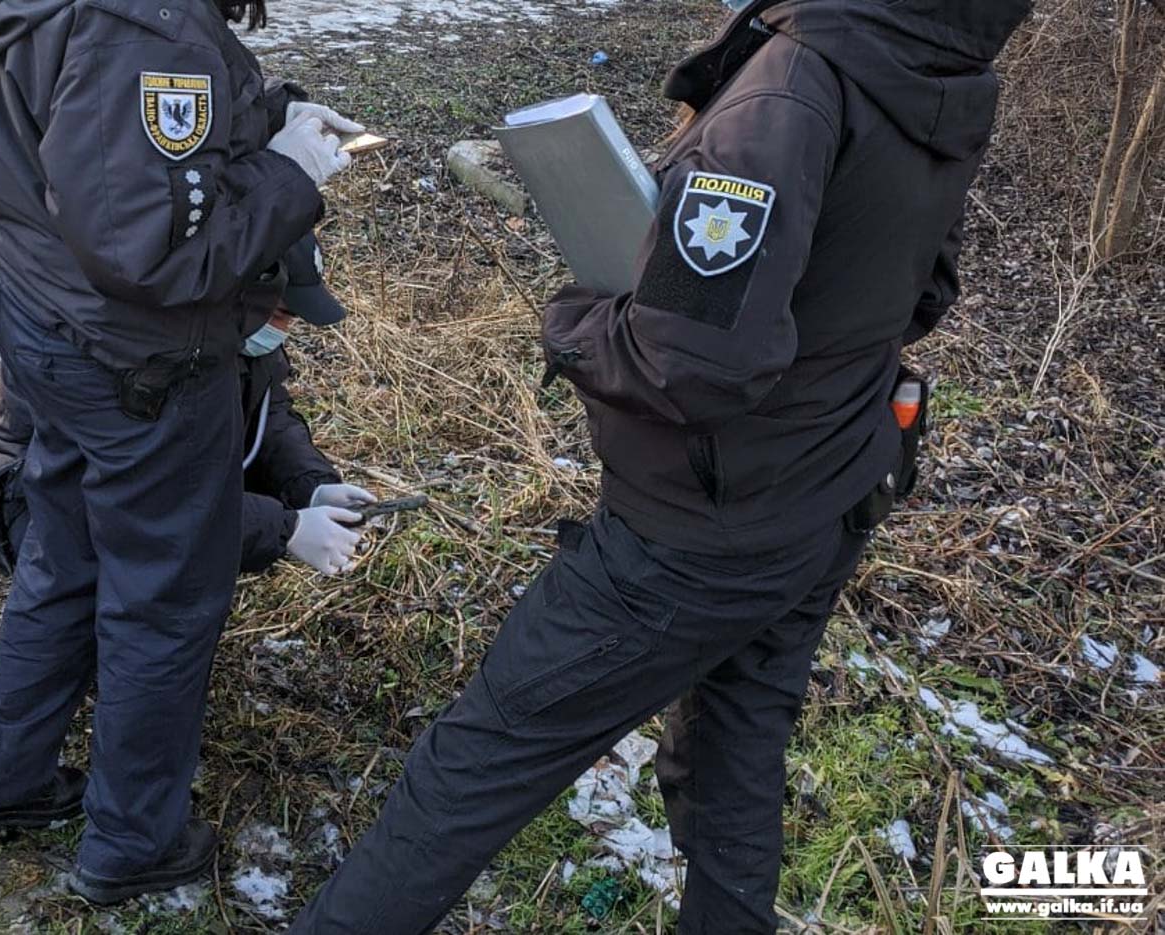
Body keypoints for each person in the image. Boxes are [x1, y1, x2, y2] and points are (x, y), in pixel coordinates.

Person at [288, 0, 1033, 932]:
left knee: (478, 758)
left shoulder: (794, 90)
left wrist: (575, 322)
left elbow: (690, 361)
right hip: (827, 489)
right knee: (734, 755)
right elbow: (925, 289)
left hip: (694, 531)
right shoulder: (939, 66)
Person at [0, 0, 366, 906]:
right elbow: (156, 252)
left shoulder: (89, 14)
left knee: (68, 552)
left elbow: (106, 142)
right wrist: (286, 177)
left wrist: (268, 111)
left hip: (45, 313)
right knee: (163, 598)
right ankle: (134, 839)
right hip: (136, 356)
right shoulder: (146, 30)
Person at [0, 234, 376, 579]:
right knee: (131, 593)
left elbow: (270, 419)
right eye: (279, 313)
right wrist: (286, 529)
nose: (282, 330)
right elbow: (155, 493)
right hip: (31, 497)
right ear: (242, 292)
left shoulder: (236, 336)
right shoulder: (158, 351)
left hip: (113, 493)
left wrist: (313, 486)